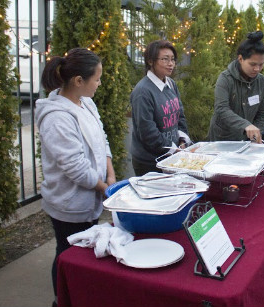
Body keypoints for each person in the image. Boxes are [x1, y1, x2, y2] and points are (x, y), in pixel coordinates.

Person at [35, 48, 116, 304]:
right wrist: (105, 188)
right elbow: (75, 167)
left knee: (82, 257)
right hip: (68, 203)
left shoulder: (87, 103)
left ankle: (78, 296)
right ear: (79, 81)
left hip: (91, 196)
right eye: (97, 78)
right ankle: (61, 299)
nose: (100, 83)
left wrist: (111, 176)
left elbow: (102, 141)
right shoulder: (57, 118)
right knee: (67, 255)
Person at [130, 40, 191, 176]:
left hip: (172, 155)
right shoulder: (143, 91)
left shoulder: (171, 84)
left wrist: (182, 141)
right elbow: (147, 132)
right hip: (150, 162)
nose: (171, 64)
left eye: (173, 60)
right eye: (165, 59)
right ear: (151, 61)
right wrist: (173, 149)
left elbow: (179, 116)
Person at [208, 31, 264, 143]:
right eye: (253, 64)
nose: (257, 69)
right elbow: (221, 109)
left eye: (261, 64)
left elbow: (262, 113)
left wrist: (256, 132)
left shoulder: (263, 82)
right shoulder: (225, 79)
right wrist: (245, 125)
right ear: (240, 59)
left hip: (247, 140)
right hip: (223, 138)